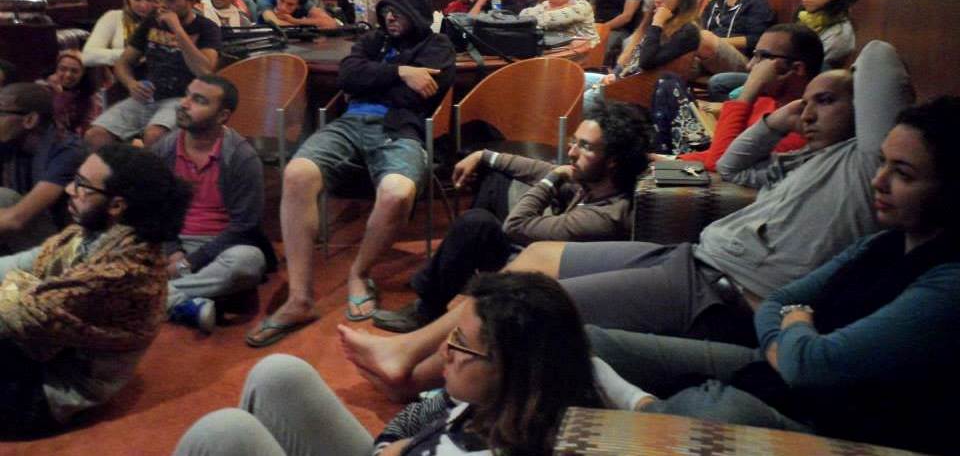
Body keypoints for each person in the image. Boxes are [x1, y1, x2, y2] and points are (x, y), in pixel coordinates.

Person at [339, 41, 914, 399]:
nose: (807, 112)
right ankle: (411, 347)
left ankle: (414, 374)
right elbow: (731, 164)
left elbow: (883, 59)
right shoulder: (804, 160)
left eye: (826, 102)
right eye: (804, 102)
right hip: (693, 258)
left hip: (722, 290)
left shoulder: (867, 163)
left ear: (867, 115)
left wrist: (809, 73)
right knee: (530, 262)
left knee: (525, 297)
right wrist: (775, 118)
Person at [589, 96, 960, 455]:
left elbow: (814, 364)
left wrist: (796, 327)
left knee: (714, 409)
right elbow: (779, 302)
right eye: (882, 163)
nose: (878, 181)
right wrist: (793, 342)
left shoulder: (948, 282)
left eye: (903, 174)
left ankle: (642, 407)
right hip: (772, 360)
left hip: (831, 420)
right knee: (586, 340)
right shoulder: (881, 242)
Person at [177, 272, 604, 456]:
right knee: (279, 374)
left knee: (223, 433)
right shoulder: (509, 402)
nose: (445, 351)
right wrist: (393, 446)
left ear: (511, 371)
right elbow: (422, 415)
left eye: (461, 344)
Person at [244, 0, 456, 347]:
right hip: (350, 124)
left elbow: (416, 97)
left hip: (399, 130)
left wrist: (372, 79)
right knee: (296, 173)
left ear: (417, 13)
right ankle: (300, 298)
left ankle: (360, 274)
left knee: (397, 192)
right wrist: (401, 72)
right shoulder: (373, 40)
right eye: (387, 11)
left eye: (399, 12)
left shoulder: (437, 47)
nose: (390, 18)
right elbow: (347, 75)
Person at [373, 101, 651, 333]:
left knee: (476, 224)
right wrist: (484, 156)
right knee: (498, 176)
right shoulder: (600, 183)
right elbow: (536, 167)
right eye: (574, 142)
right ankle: (459, 272)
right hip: (538, 255)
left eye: (585, 147)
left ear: (613, 160)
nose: (571, 152)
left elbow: (516, 225)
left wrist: (553, 178)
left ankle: (430, 307)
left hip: (542, 288)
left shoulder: (607, 217)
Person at [0, 144, 191, 437]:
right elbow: (25, 264)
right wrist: (21, 285)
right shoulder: (93, 234)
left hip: (48, 392)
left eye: (82, 185)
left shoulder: (125, 271)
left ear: (116, 205)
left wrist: (23, 286)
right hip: (38, 354)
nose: (69, 190)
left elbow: (21, 315)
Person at [153, 75, 276, 333]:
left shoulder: (242, 157)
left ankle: (156, 297)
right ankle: (188, 304)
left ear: (222, 116)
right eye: (187, 95)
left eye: (199, 100)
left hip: (223, 247)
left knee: (248, 262)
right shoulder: (164, 149)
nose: (184, 104)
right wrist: (173, 251)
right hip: (171, 241)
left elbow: (245, 225)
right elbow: (156, 209)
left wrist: (188, 264)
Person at [84, 0, 221, 150]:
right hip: (148, 97)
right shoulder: (151, 23)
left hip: (184, 99)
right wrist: (131, 84)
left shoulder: (207, 28)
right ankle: (124, 167)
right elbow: (123, 63)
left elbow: (205, 71)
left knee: (155, 135)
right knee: (95, 135)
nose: (162, 5)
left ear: (192, 0)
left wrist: (177, 30)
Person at [670, 23, 823, 170]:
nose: (750, 66)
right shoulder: (766, 102)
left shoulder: (804, 124)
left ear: (797, 68)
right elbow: (721, 151)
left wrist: (748, 91)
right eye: (754, 55)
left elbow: (721, 163)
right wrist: (670, 161)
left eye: (763, 57)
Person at [708, 0, 859, 101]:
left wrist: (755, 83)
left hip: (799, 83)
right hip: (776, 69)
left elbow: (810, 72)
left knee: (725, 87)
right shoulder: (805, 18)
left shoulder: (840, 32)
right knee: (718, 82)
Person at [584, 0, 702, 109]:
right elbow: (634, 53)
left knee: (586, 98)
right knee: (579, 79)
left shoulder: (688, 30)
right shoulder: (661, 18)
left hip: (645, 92)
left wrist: (657, 23)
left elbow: (646, 62)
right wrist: (616, 74)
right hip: (630, 80)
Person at [0, 83, 86, 254]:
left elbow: (17, 219)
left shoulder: (67, 151)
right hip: (29, 236)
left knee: (3, 197)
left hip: (65, 247)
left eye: (1, 113)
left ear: (30, 120)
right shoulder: (10, 141)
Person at [699, 0, 776, 75]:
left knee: (704, 38)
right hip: (707, 53)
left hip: (742, 58)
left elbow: (755, 40)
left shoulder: (756, 2)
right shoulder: (716, 1)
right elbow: (701, 27)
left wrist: (717, 42)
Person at [81, 0, 158, 68]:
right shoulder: (113, 17)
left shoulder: (163, 20)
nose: (143, 5)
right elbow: (88, 56)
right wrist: (131, 55)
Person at [520, 0, 599, 47]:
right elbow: (523, 14)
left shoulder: (582, 6)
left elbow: (547, 20)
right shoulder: (549, 3)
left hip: (587, 49)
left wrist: (548, 12)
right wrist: (554, 10)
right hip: (562, 46)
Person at [41, 49, 102, 136]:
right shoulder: (43, 90)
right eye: (63, 69)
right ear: (56, 70)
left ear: (83, 74)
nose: (68, 75)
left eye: (74, 71)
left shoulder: (91, 98)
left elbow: (88, 129)